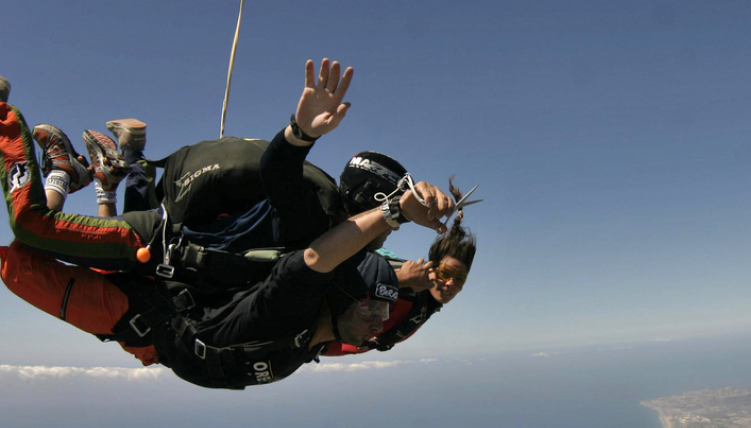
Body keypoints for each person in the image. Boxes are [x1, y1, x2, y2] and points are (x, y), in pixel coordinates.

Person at [0, 59, 456, 389]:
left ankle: (84, 173)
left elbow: (363, 275)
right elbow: (281, 178)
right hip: (153, 248)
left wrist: (405, 226)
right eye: (373, 304)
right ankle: (18, 133)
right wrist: (302, 135)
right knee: (30, 229)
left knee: (20, 258)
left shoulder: (323, 292)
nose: (378, 315)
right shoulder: (314, 225)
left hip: (153, 295)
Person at [324, 183, 476, 355]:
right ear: (432, 267)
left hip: (310, 347)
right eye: (446, 273)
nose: (450, 284)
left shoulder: (424, 305)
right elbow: (334, 272)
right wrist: (399, 280)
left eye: (459, 279)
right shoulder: (401, 277)